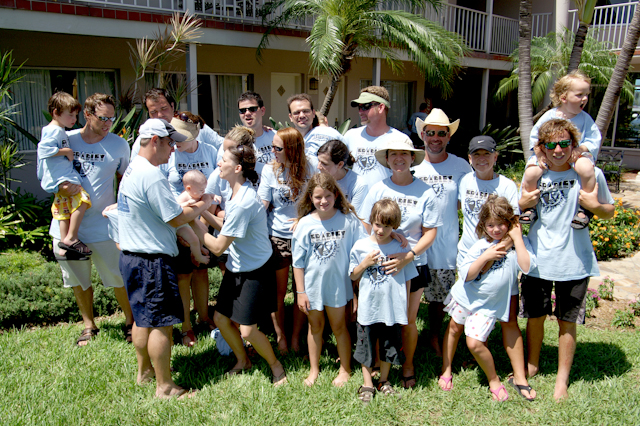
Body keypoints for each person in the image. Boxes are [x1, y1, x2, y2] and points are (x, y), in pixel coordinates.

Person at [519, 119, 614, 401]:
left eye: (564, 143)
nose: (558, 150)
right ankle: (532, 365)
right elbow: (517, 209)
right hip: (538, 258)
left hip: (574, 260)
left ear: (574, 146)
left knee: (566, 321)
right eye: (552, 144)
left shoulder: (590, 173)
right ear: (542, 148)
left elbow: (609, 210)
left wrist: (595, 207)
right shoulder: (535, 173)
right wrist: (523, 205)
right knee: (535, 317)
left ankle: (562, 379)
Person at [118, 118, 212, 398]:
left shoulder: (133, 168)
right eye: (171, 143)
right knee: (162, 324)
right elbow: (176, 218)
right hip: (152, 263)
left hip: (131, 258)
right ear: (156, 140)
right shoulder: (151, 175)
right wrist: (204, 204)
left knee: (142, 319)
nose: (174, 149)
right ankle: (166, 387)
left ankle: (145, 373)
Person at [40, 93, 133, 347]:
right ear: (87, 115)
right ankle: (89, 326)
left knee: (117, 277)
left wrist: (121, 204)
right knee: (78, 280)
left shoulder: (118, 145)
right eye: (103, 118)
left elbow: (127, 178)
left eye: (112, 119)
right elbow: (48, 171)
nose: (108, 124)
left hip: (103, 226)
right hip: (67, 227)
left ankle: (130, 322)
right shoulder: (64, 139)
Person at [200, 144, 287, 386]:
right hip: (238, 266)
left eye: (223, 160)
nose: (218, 163)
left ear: (237, 168)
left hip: (255, 271)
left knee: (247, 330)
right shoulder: (235, 193)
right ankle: (243, 361)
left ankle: (276, 367)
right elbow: (229, 230)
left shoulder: (243, 201)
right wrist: (203, 212)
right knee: (220, 319)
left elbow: (218, 247)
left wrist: (193, 228)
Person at [359, 135, 441, 389]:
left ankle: (407, 365)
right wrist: (383, 237)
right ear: (386, 159)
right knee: (379, 318)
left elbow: (431, 232)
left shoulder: (425, 191)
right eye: (393, 154)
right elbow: (365, 222)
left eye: (404, 154)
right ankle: (376, 366)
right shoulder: (378, 188)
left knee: (407, 319)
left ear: (412, 159)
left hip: (413, 263)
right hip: (380, 265)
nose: (398, 158)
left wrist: (409, 256)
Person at [439, 196, 536, 402]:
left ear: (510, 223)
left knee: (474, 343)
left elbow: (526, 267)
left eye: (501, 224)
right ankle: (446, 369)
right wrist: (485, 256)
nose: (496, 229)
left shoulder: (519, 244)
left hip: (488, 306)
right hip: (466, 297)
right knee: (454, 328)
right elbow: (467, 275)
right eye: (491, 225)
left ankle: (493, 380)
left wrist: (518, 239)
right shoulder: (481, 246)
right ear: (483, 225)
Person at [292, 173, 365, 387]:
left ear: (335, 195)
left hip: (338, 287)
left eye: (327, 196)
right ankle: (314, 370)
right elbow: (298, 263)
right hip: (312, 287)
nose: (323, 201)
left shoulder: (348, 220)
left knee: (339, 327)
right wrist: (300, 291)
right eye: (317, 197)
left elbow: (362, 248)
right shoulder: (305, 224)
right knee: (315, 327)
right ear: (310, 198)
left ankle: (345, 369)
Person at [411, 108, 471, 356]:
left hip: (444, 245)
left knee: (438, 298)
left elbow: (463, 202)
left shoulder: (461, 166)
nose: (435, 138)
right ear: (422, 135)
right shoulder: (412, 163)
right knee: (409, 296)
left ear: (448, 137)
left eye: (441, 134)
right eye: (430, 133)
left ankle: (434, 336)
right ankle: (407, 336)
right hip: (413, 245)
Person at [349, 199, 418, 404]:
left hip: (392, 309)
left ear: (394, 226)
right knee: (366, 347)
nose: (381, 230)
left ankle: (384, 380)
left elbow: (407, 278)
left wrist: (403, 307)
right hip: (368, 309)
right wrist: (365, 263)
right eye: (378, 224)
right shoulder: (361, 246)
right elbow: (353, 276)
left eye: (387, 226)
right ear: (371, 220)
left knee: (390, 346)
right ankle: (368, 383)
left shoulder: (400, 247)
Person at [257, 127, 317, 354]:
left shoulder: (311, 167)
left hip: (305, 238)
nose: (272, 151)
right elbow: (262, 203)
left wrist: (305, 218)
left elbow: (320, 200)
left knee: (302, 291)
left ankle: (295, 338)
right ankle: (281, 337)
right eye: (272, 146)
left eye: (277, 148)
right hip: (278, 236)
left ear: (291, 149)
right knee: (278, 293)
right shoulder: (269, 170)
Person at [521, 71, 600, 229]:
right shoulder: (549, 116)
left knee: (586, 169)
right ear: (564, 98)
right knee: (531, 173)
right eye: (579, 95)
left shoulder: (585, 119)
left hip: (575, 156)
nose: (584, 98)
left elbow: (594, 139)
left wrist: (580, 149)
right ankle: (530, 206)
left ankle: (584, 208)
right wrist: (540, 154)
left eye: (586, 94)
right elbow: (536, 138)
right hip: (548, 155)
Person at [167, 111, 219, 347]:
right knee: (183, 275)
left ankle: (204, 317)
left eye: (181, 138)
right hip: (179, 221)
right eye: (174, 138)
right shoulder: (169, 155)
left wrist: (203, 229)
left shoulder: (209, 150)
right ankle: (185, 326)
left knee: (201, 271)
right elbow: (166, 195)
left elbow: (215, 191)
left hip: (204, 221)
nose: (176, 143)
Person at [37, 92, 92, 259]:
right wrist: (66, 151)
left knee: (64, 208)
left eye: (75, 115)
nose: (74, 119)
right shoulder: (54, 130)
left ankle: (63, 244)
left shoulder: (57, 130)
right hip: (62, 177)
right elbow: (43, 150)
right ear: (55, 113)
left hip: (58, 178)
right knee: (83, 199)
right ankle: (72, 237)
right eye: (70, 115)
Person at [130, 88, 224, 159]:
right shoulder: (143, 141)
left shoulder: (193, 127)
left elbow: (223, 145)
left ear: (172, 106)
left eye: (163, 109)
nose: (160, 115)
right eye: (154, 112)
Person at [345, 86, 404, 191]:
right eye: (359, 107)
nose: (360, 112)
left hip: (385, 205)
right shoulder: (350, 136)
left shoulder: (400, 139)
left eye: (365, 106)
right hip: (355, 205)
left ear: (381, 107)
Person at [287, 93, 344, 157]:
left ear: (313, 113)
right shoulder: (285, 142)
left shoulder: (330, 136)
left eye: (306, 111)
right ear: (290, 117)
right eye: (296, 113)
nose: (302, 115)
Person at [316, 139, 367, 212]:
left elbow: (355, 216)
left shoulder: (358, 184)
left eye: (324, 164)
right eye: (318, 161)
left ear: (340, 165)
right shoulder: (317, 179)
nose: (318, 166)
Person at [175, 170, 211, 266]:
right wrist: (187, 204)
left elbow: (208, 196)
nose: (203, 192)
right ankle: (198, 256)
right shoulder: (185, 196)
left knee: (204, 228)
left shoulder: (195, 193)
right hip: (181, 224)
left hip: (191, 221)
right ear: (189, 188)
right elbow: (176, 207)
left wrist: (214, 196)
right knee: (194, 239)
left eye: (204, 189)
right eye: (201, 190)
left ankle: (199, 247)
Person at [237, 91, 275, 165]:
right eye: (242, 110)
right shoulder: (234, 142)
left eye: (252, 109)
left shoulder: (276, 137)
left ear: (262, 111)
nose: (247, 113)